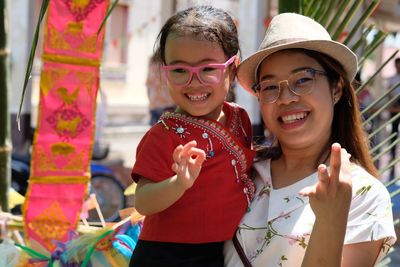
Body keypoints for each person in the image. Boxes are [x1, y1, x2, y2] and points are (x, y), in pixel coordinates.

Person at [224, 13, 396, 266]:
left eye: (302, 80)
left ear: (336, 89)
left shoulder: (362, 194)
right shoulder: (240, 171)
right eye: (270, 86)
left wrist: (330, 220)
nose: (285, 98)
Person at [129, 6, 254, 267]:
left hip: (223, 250)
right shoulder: (163, 136)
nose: (193, 82)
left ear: (232, 69)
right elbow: (143, 201)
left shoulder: (240, 119)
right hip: (167, 256)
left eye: (208, 69)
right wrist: (179, 183)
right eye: (179, 71)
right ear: (164, 72)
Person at [146, 52, 176, 126]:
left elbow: (148, 88)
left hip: (155, 106)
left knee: (155, 133)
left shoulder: (152, 66)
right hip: (167, 105)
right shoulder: (166, 66)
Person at [388, 57, 400, 179]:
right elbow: (389, 96)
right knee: (393, 137)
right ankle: (391, 169)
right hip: (394, 108)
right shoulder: (392, 80)